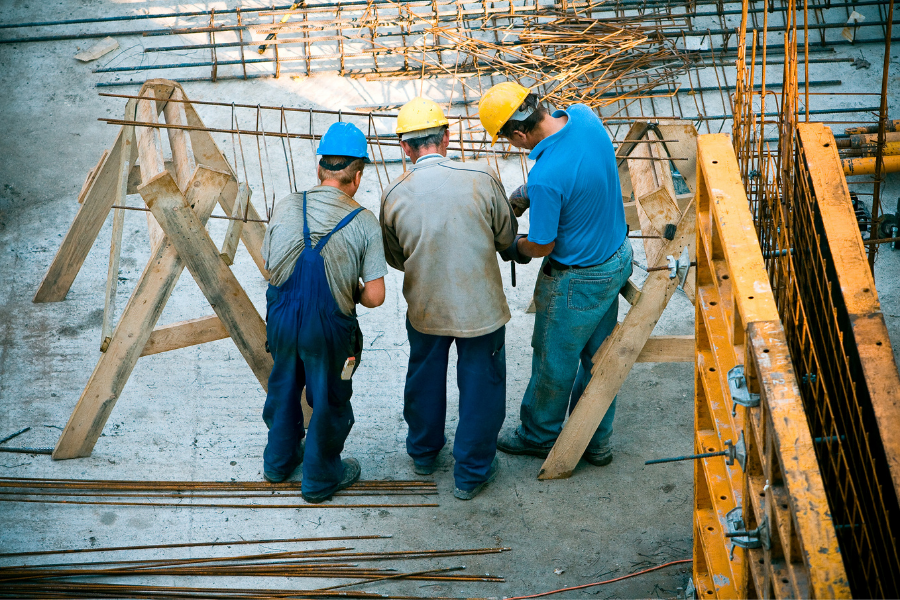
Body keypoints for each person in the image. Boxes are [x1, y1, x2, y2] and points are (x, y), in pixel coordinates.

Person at [478, 82, 633, 467]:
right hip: (615, 257)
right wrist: (529, 191)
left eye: (508, 141)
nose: (512, 146)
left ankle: (538, 435)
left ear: (517, 133)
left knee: (553, 360)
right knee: (600, 360)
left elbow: (542, 245)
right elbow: (580, 168)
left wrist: (513, 247)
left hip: (577, 282)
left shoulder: (547, 176)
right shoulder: (584, 116)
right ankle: (597, 442)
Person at [380, 97, 518, 500]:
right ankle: (471, 474)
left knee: (424, 376)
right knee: (481, 384)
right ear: (446, 136)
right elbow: (506, 239)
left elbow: (396, 257)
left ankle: (424, 454)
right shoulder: (482, 176)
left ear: (405, 147)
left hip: (426, 305)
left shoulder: (394, 193)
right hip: (481, 308)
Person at [261, 121, 387, 503]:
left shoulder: (286, 204)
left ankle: (278, 464)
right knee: (330, 399)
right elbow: (376, 297)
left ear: (320, 168)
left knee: (283, 388)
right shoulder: (363, 221)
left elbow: (270, 262)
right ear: (358, 176)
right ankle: (319, 478)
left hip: (282, 319)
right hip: (329, 330)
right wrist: (352, 289)